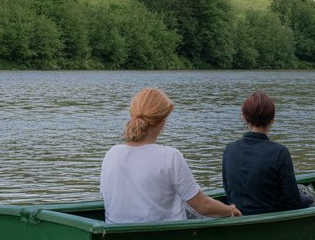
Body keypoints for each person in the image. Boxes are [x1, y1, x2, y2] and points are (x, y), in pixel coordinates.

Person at [101, 87, 241, 223]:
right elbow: (203, 206)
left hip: (118, 235)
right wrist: (231, 210)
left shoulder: (111, 154)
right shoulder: (170, 156)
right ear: (162, 122)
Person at [221, 90, 315, 215]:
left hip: (241, 215)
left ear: (244, 117)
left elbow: (228, 192)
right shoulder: (280, 152)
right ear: (272, 120)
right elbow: (293, 202)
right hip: (272, 215)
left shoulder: (229, 149)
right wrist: (309, 199)